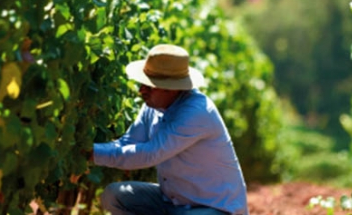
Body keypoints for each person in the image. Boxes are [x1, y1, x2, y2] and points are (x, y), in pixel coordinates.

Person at [92, 44, 249, 215]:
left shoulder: (197, 111)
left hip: (214, 208)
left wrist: (90, 153)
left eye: (150, 85)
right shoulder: (152, 107)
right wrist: (89, 152)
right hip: (174, 202)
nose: (141, 90)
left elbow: (150, 153)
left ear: (171, 89)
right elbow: (127, 143)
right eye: (143, 82)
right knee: (115, 195)